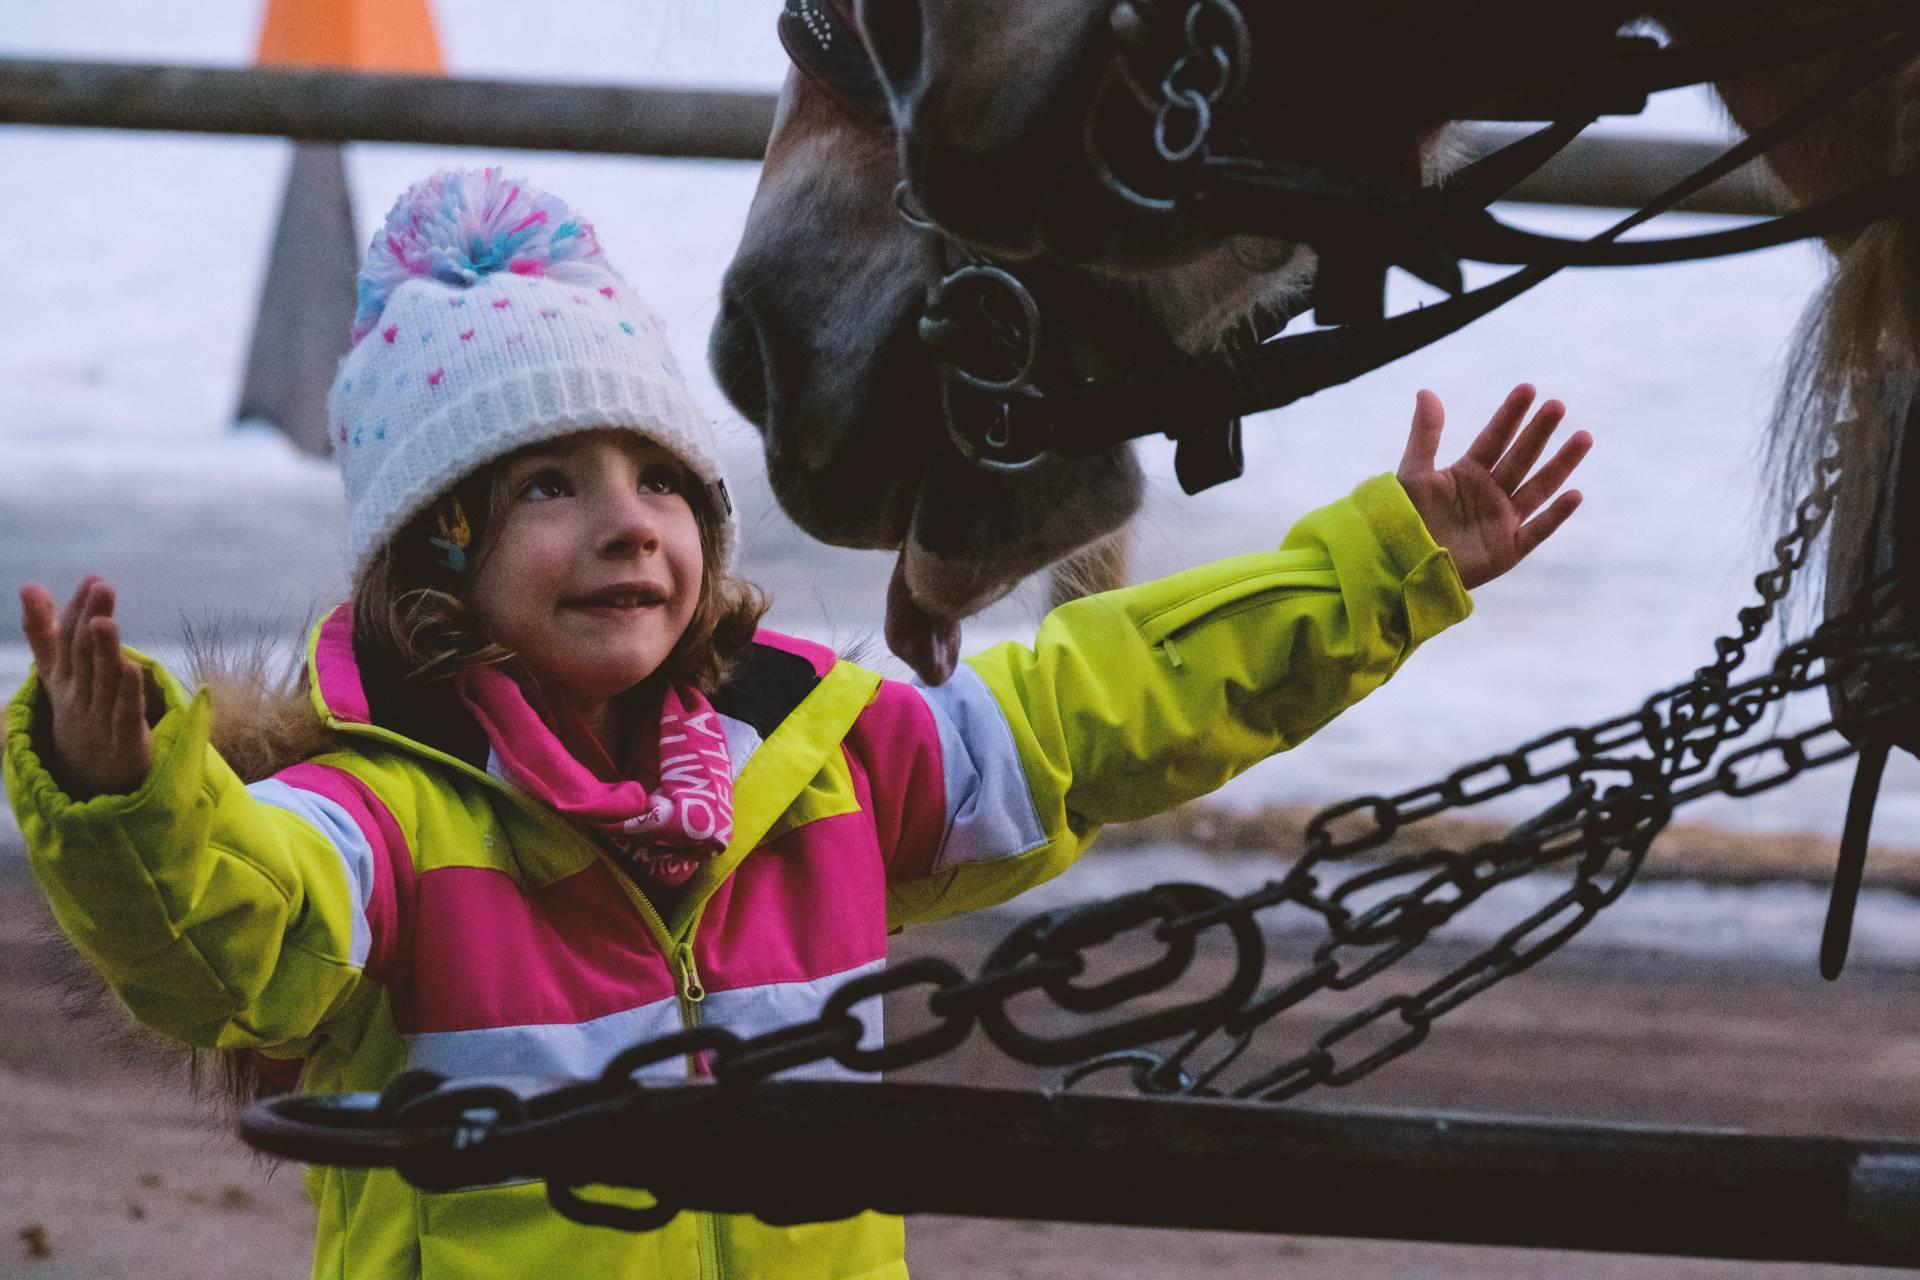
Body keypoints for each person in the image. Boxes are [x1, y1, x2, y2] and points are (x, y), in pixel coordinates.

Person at [6, 167, 1590, 1280]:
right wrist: (125, 792)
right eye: (549, 487)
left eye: (660, 484)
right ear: (442, 564)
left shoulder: (817, 761)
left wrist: (1381, 567)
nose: (628, 527)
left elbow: (1093, 710)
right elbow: (234, 947)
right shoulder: (381, 823)